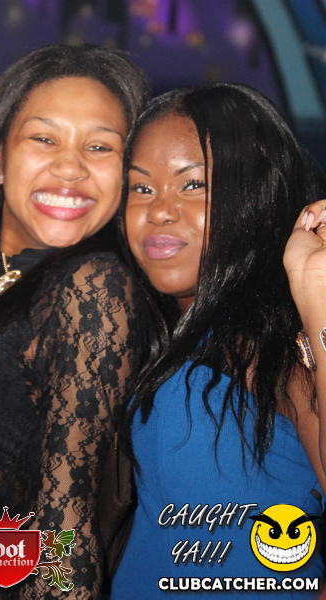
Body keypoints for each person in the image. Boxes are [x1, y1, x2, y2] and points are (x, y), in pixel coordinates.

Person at [0, 44, 150, 599]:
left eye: (100, 146)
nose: (70, 167)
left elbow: (64, 533)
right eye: (44, 139)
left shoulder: (92, 287)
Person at [111, 83, 326, 599]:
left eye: (193, 184)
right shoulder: (154, 337)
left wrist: (315, 293)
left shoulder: (270, 342)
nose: (159, 211)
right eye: (141, 188)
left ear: (256, 195)